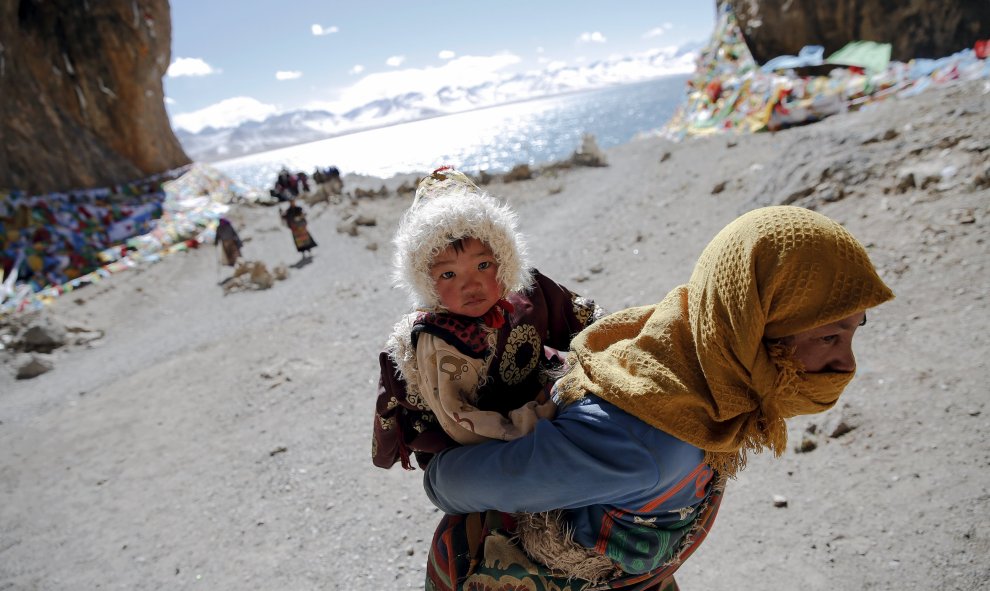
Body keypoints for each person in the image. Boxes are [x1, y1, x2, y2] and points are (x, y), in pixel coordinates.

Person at [422, 205, 895, 590]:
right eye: (830, 338)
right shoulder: (662, 425)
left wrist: (438, 469)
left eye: (853, 332)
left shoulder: (687, 338)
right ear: (751, 324)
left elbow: (449, 486)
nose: (846, 364)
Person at [373, 166, 604, 470]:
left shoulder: (525, 290)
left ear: (504, 258)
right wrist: (541, 418)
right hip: (476, 445)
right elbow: (461, 421)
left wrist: (616, 343)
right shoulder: (438, 340)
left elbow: (583, 317)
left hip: (541, 404)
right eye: (448, 274)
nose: (470, 285)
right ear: (425, 282)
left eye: (483, 265)